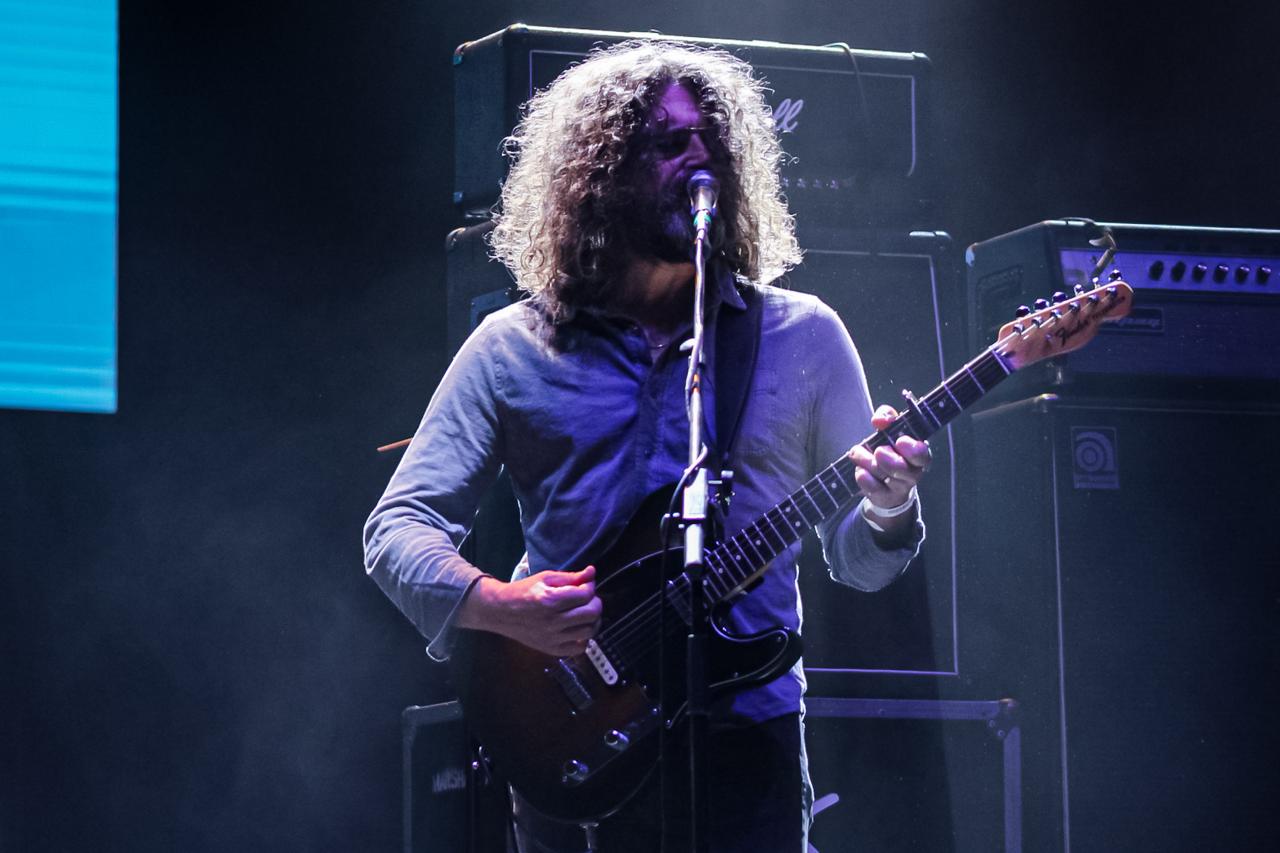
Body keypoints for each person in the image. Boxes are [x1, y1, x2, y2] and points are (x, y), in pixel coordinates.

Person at [364, 40, 930, 853]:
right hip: (569, 736)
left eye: (712, 141)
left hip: (748, 743)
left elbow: (860, 563)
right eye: (668, 143)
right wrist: (500, 604)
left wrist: (888, 509)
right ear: (598, 175)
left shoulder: (804, 336)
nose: (700, 159)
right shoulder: (512, 347)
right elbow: (397, 527)